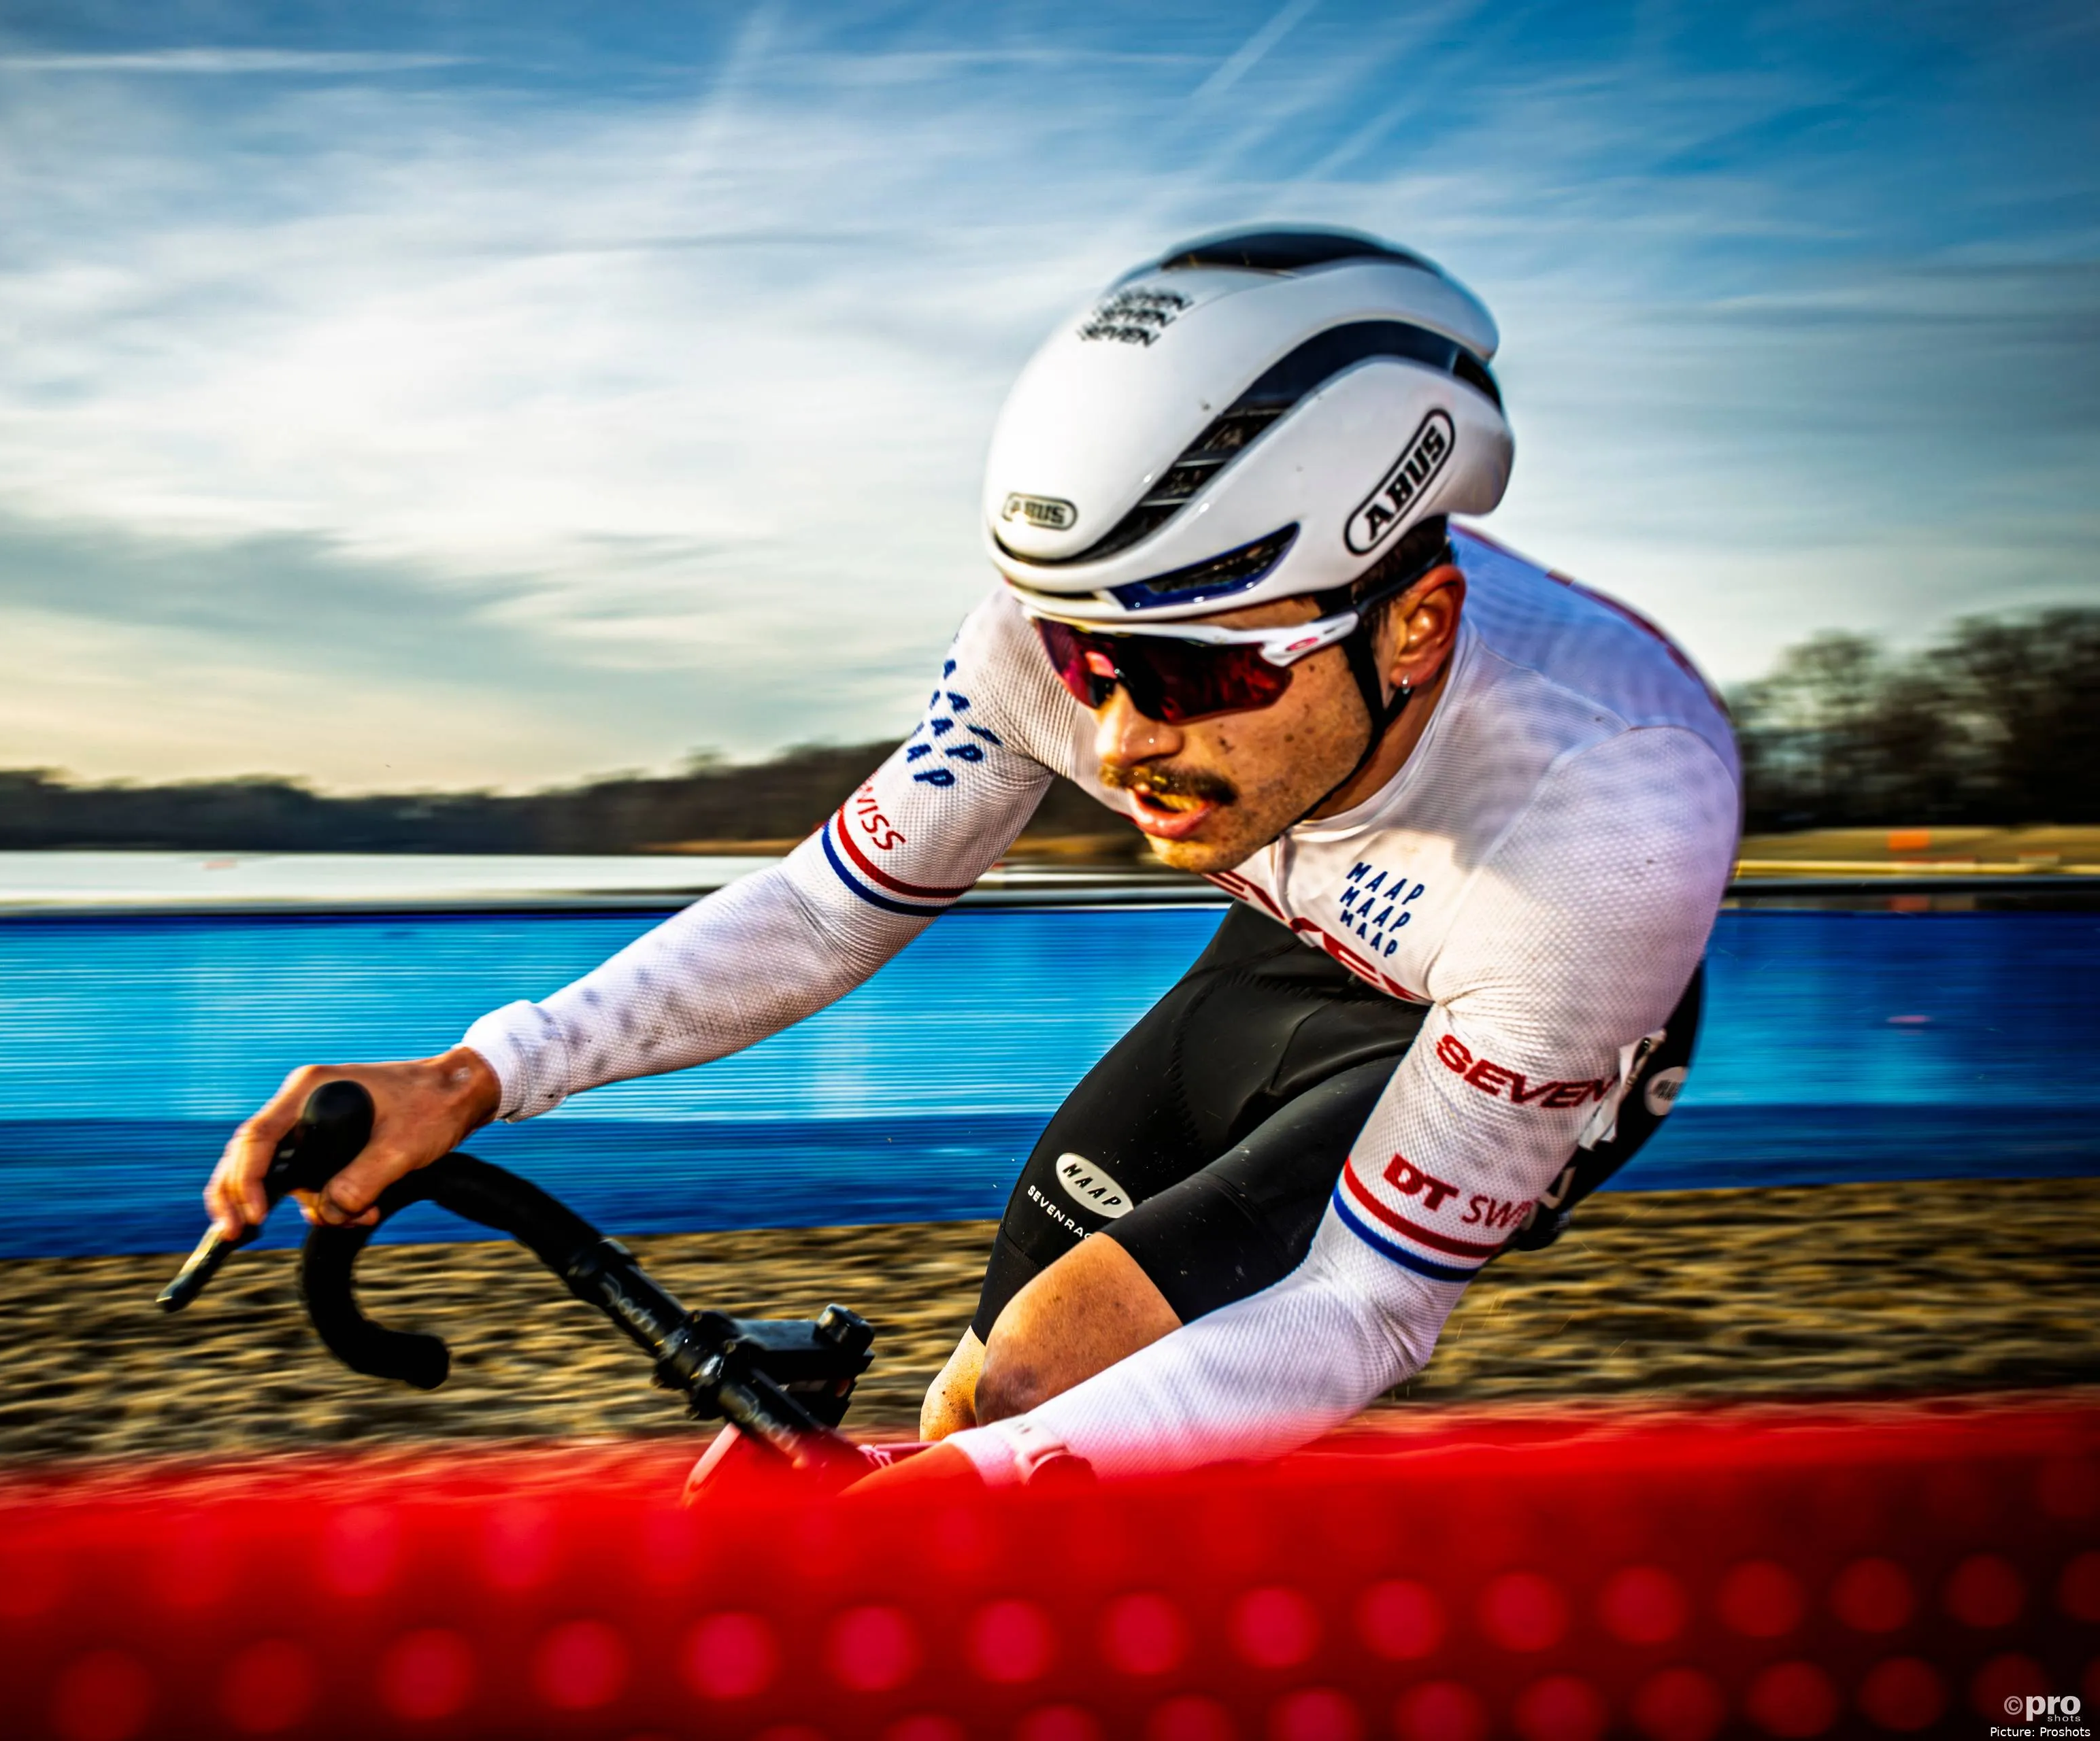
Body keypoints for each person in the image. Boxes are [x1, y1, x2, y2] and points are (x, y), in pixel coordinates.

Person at [201, 228, 1739, 1490]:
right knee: (975, 1405)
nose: (1126, 738)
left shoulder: (1618, 820)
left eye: (1202, 677)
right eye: (1087, 658)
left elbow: (1363, 1303)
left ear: (1414, 625)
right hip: (1289, 953)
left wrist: (1005, 1491)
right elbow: (821, 904)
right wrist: (474, 1075)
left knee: (1042, 1419)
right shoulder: (1044, 632)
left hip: (1501, 992)